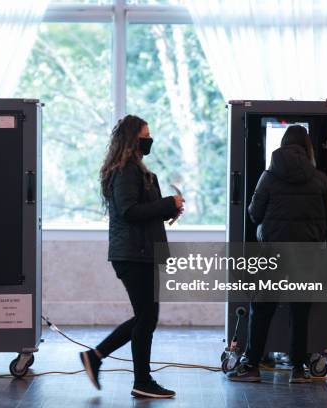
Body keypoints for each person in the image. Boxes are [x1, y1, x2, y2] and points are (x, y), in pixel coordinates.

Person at [79, 115, 184, 398]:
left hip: (141, 252)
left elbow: (141, 210)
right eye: (145, 135)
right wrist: (165, 203)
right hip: (133, 254)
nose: (149, 140)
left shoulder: (135, 170)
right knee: (147, 317)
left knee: (145, 317)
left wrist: (169, 209)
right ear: (132, 139)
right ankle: (139, 379)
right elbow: (129, 210)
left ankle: (100, 358)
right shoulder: (126, 171)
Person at [226, 125, 327, 384]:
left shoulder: (269, 176)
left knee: (261, 308)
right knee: (300, 311)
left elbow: (253, 212)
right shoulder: (320, 178)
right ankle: (298, 369)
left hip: (273, 252)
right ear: (307, 147)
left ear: (283, 145)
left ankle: (251, 365)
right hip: (306, 253)